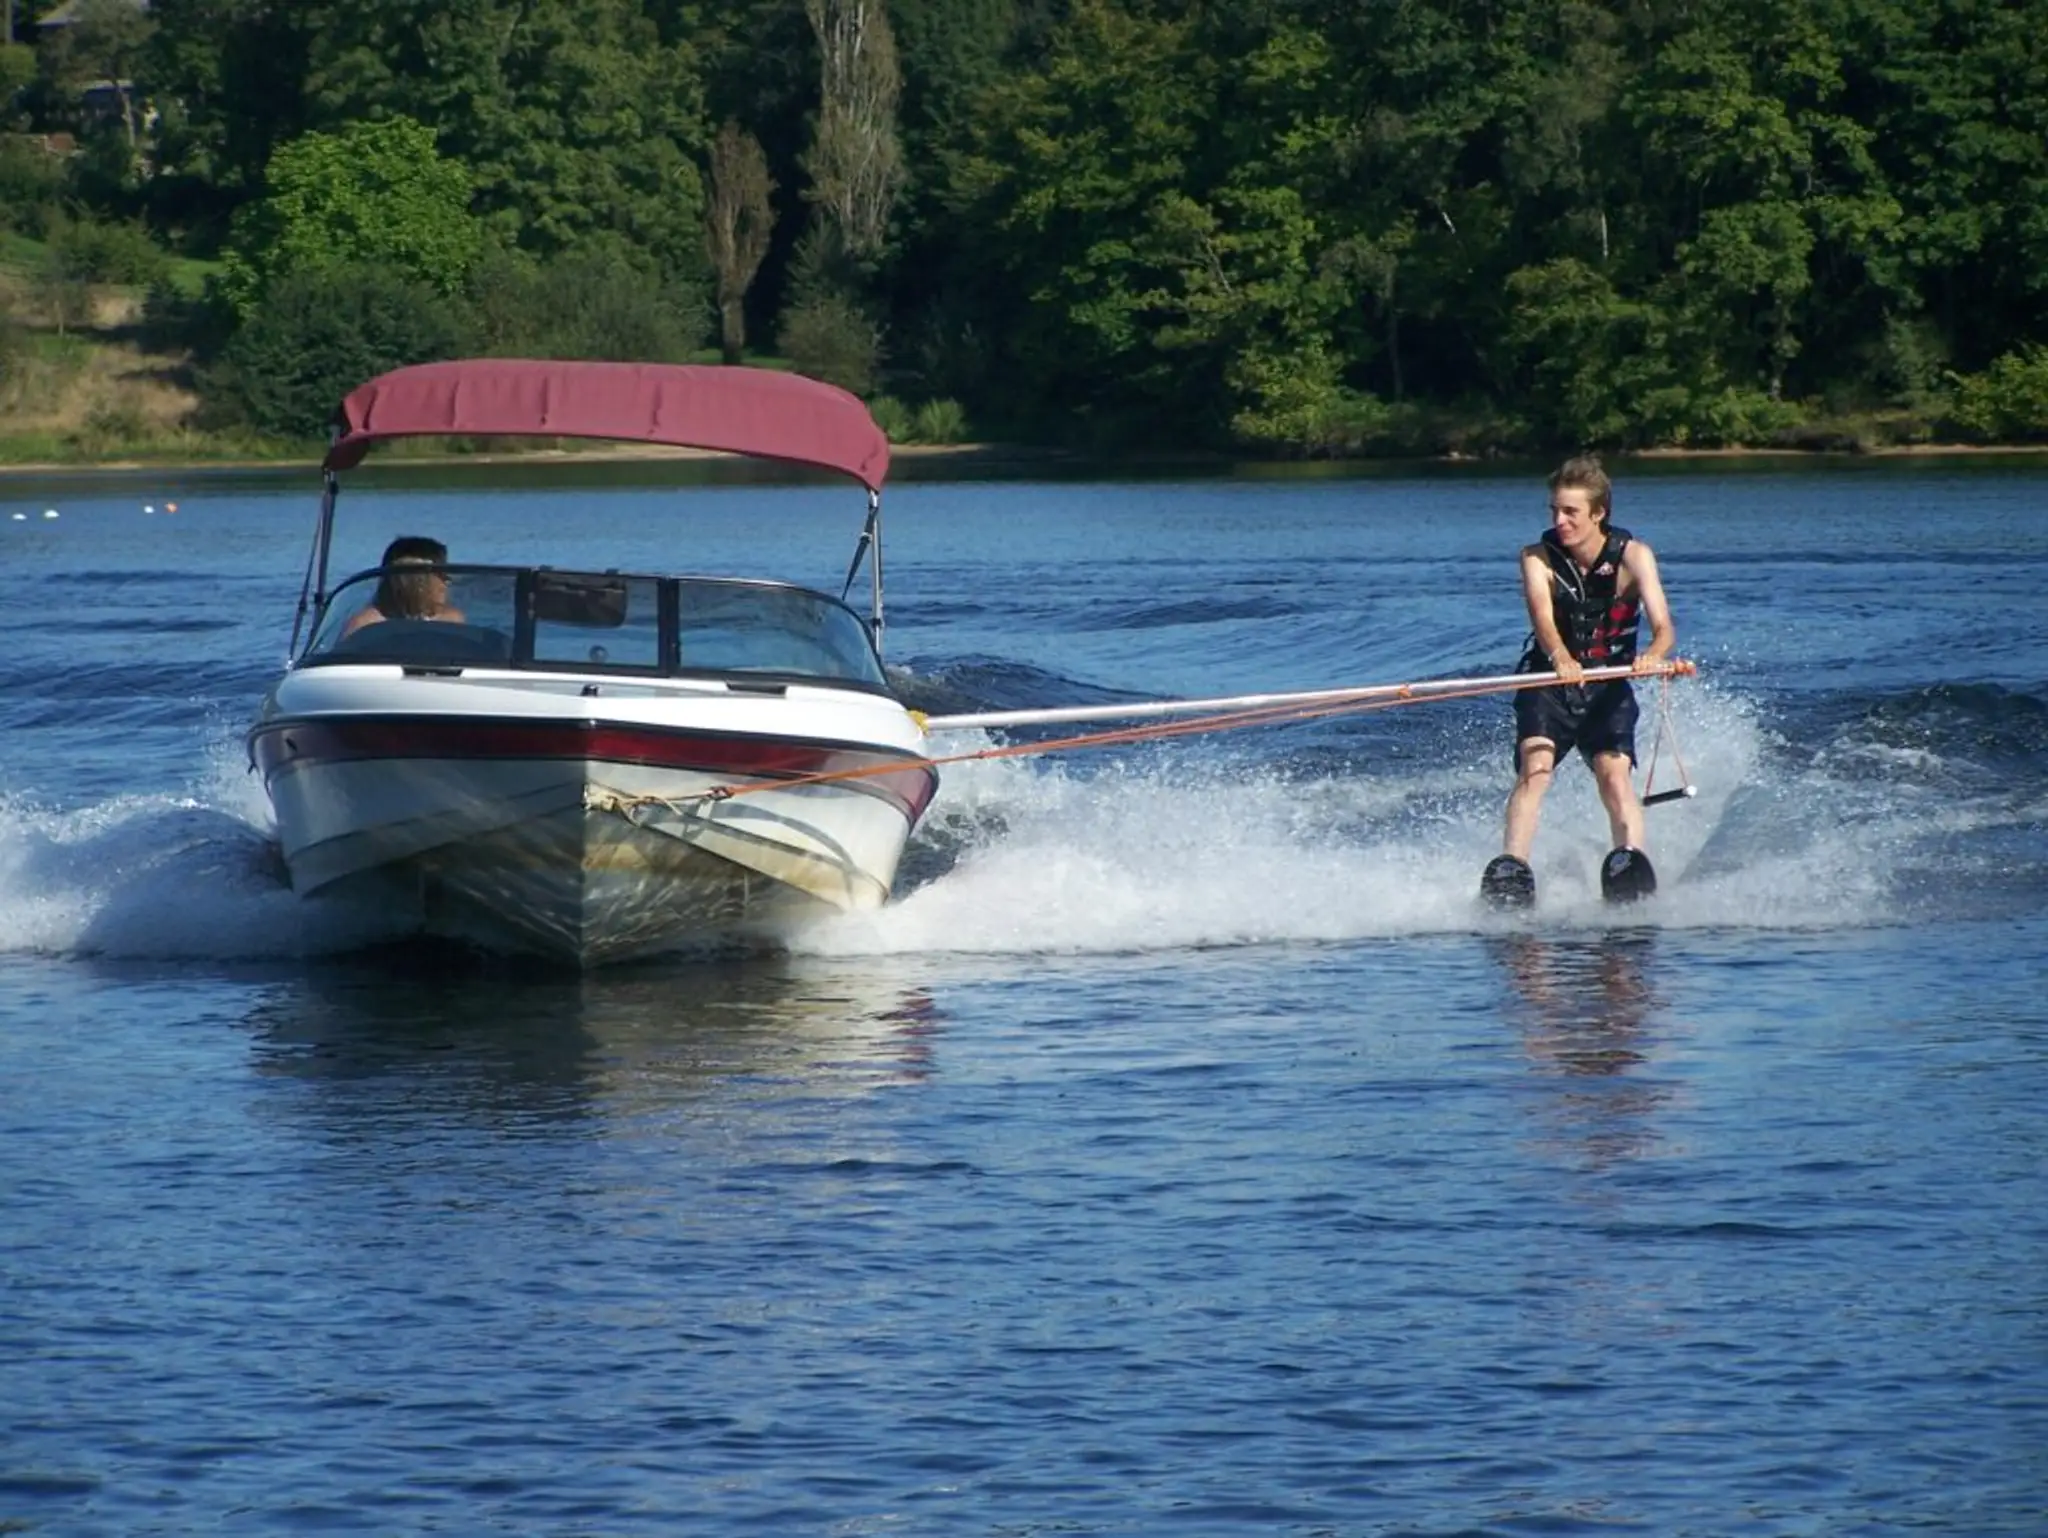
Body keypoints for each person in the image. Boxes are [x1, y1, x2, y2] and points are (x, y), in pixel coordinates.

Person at [1485, 455, 1675, 904]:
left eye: (1570, 511)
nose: (1560, 520)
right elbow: (1542, 615)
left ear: (1598, 513)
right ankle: (1513, 866)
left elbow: (1664, 627)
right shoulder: (1536, 557)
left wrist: (1652, 655)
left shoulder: (1634, 556)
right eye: (1554, 510)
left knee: (1613, 775)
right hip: (1547, 683)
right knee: (1536, 769)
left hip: (1607, 686)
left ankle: (1629, 859)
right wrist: (1561, 657)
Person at [341, 536, 466, 635]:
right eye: (442, 574)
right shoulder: (365, 625)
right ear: (417, 581)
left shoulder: (452, 620)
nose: (447, 582)